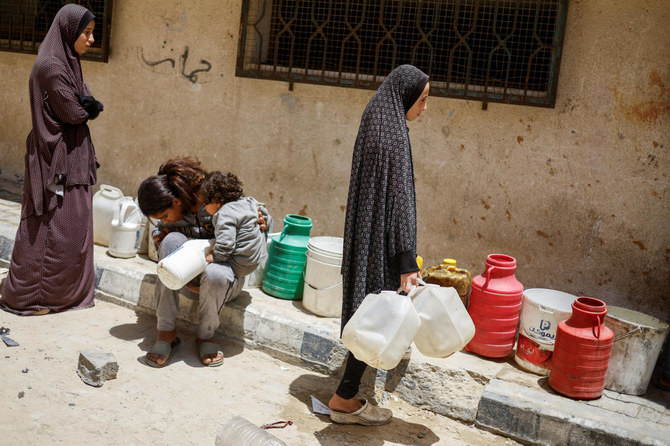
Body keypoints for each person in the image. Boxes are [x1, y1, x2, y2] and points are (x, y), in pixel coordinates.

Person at [328, 64, 429, 425]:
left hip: (366, 235)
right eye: (422, 100)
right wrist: (406, 259)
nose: (424, 108)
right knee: (378, 315)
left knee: (366, 309)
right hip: (385, 242)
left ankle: (347, 393)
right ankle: (344, 398)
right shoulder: (394, 137)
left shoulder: (375, 121)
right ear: (405, 97)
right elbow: (400, 200)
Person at [1, 4, 103, 316]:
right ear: (68, 31)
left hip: (68, 160)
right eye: (85, 32)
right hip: (56, 165)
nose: (91, 39)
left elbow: (82, 100)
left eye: (92, 32)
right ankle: (36, 296)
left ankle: (59, 293)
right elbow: (75, 111)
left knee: (68, 227)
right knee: (51, 225)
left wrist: (87, 105)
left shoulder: (66, 62)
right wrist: (90, 107)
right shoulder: (53, 68)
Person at [137, 157, 266, 368]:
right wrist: (163, 238)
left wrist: (264, 220)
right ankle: (166, 332)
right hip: (184, 282)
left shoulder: (218, 199)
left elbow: (253, 212)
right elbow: (163, 238)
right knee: (170, 240)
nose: (165, 221)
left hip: (221, 283)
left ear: (176, 201)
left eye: (166, 215)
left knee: (216, 272)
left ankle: (206, 336)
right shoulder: (172, 220)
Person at [199, 171, 273, 277]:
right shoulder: (250, 202)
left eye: (205, 204)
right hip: (256, 261)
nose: (204, 208)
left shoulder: (225, 213)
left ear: (216, 200)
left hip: (237, 264)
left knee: (209, 268)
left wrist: (215, 257)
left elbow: (226, 243)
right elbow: (266, 217)